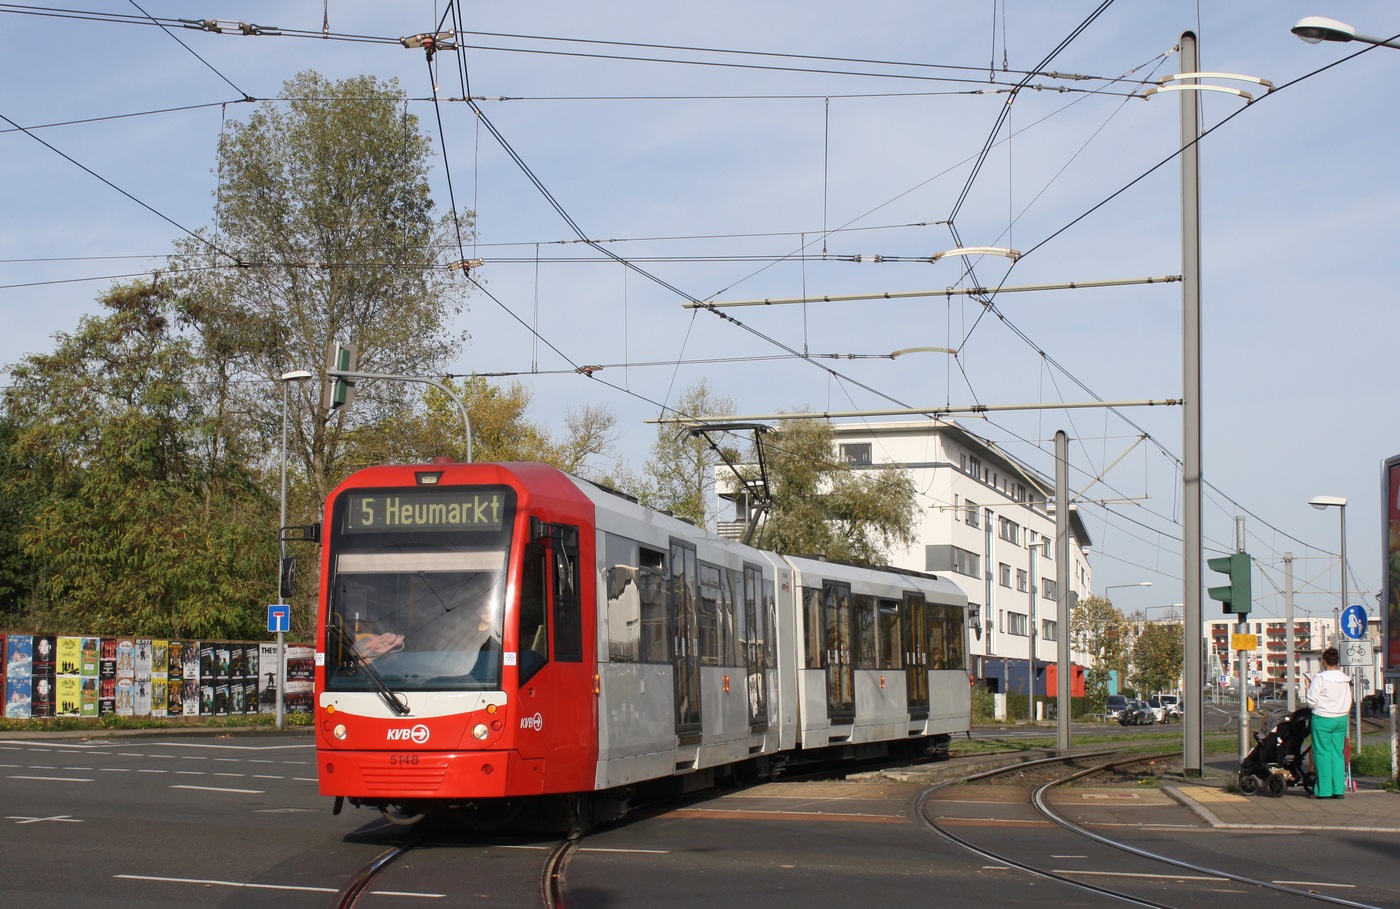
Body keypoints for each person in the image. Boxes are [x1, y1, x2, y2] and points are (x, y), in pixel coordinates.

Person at [1304, 647, 1353, 799]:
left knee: (1322, 753)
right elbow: (1349, 699)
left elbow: (1311, 700)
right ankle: (1338, 789)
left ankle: (1324, 791)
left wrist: (1311, 695)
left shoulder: (1320, 678)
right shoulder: (1345, 678)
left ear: (1324, 661)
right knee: (1337, 753)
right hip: (1341, 718)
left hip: (1323, 718)